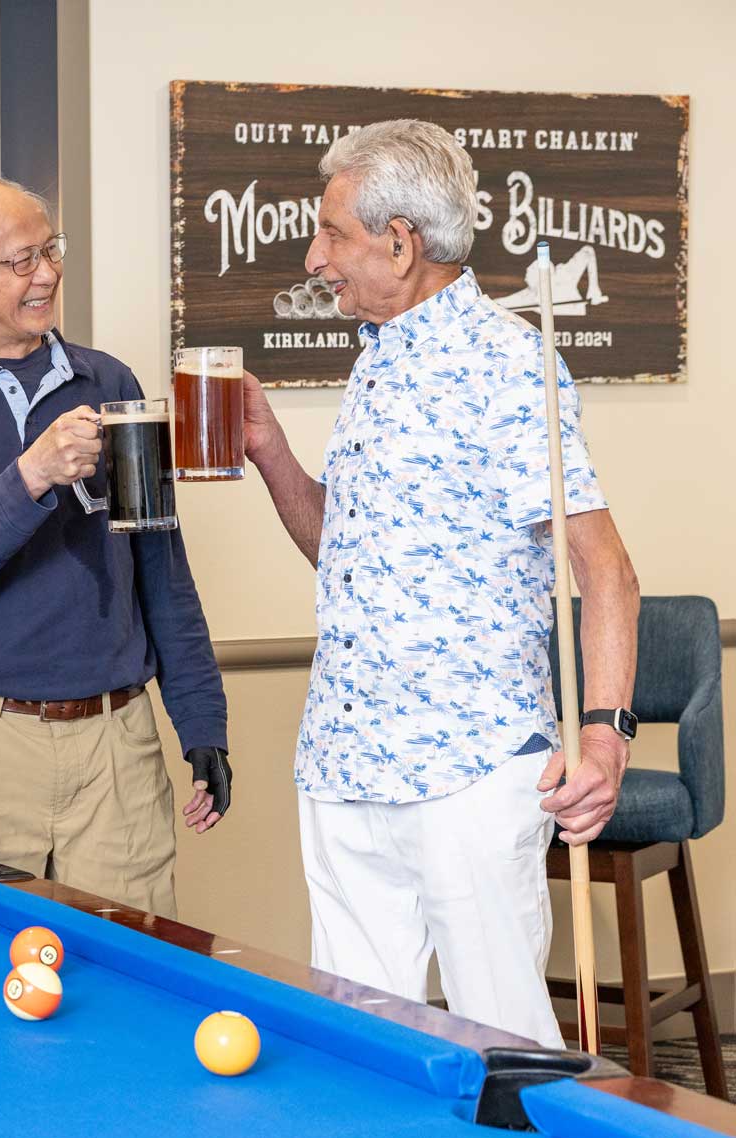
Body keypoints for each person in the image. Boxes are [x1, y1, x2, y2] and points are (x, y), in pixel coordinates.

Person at [241, 120, 640, 1046]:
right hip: (344, 761)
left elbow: (605, 571)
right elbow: (343, 550)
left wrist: (604, 734)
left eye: (331, 233)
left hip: (467, 770)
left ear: (398, 240)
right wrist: (269, 452)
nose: (314, 256)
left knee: (505, 1050)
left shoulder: (506, 363)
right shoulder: (375, 356)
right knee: (360, 1049)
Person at [0, 176, 230, 914]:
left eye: (49, 250)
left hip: (115, 745)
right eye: (18, 260)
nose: (46, 273)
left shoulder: (111, 383)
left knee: (128, 967)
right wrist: (29, 475)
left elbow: (161, 570)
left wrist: (201, 725)